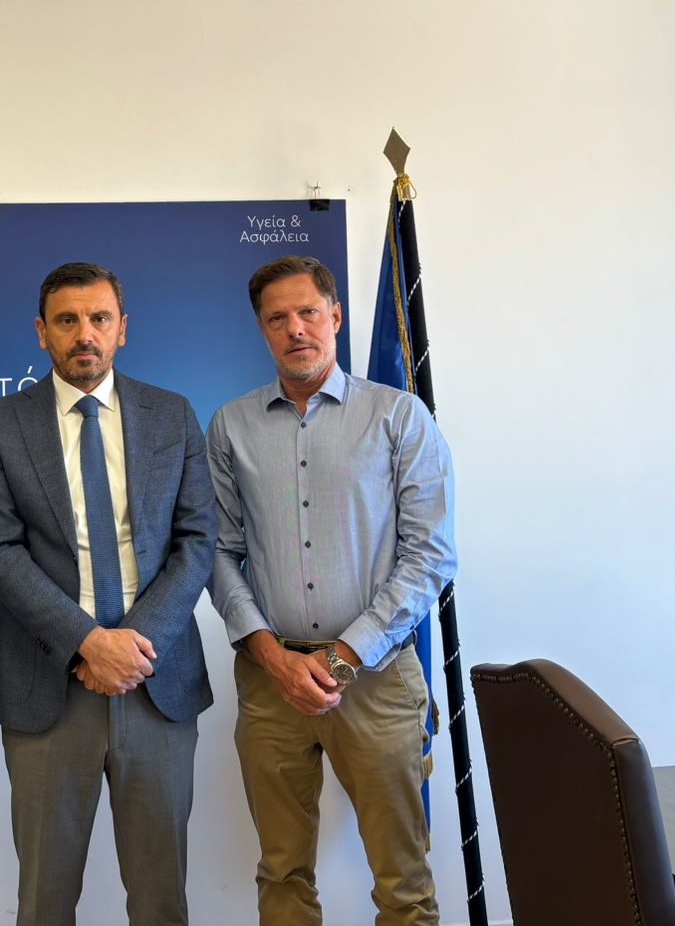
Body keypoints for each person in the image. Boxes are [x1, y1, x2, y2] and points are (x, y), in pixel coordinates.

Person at [207, 254, 456, 926]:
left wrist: (343, 657)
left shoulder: (399, 417)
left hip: (377, 680)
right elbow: (219, 552)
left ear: (336, 316)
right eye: (277, 318)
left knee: (403, 885)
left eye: (308, 312)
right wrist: (272, 656)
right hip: (271, 682)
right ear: (262, 330)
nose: (295, 329)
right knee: (281, 872)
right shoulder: (230, 426)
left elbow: (430, 555)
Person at [0, 261, 216, 926]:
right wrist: (87, 643)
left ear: (122, 328)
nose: (85, 334)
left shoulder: (172, 415)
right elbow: (0, 553)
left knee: (162, 903)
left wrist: (132, 647)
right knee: (45, 903)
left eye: (99, 318)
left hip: (157, 681)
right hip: (48, 685)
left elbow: (197, 540)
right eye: (67, 320)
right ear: (41, 332)